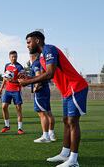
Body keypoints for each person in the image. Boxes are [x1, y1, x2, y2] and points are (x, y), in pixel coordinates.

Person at [19, 31, 88, 167]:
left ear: (37, 40)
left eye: (29, 42)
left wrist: (28, 82)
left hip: (76, 86)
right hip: (67, 91)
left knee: (73, 122)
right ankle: (64, 154)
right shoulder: (42, 57)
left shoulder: (48, 49)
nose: (27, 45)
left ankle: (73, 160)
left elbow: (50, 74)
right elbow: (46, 74)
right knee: (66, 121)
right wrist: (29, 78)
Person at [29, 52, 56, 143]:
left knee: (42, 113)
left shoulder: (36, 63)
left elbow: (38, 74)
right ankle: (51, 134)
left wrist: (37, 86)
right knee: (48, 112)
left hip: (40, 90)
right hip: (46, 89)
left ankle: (45, 136)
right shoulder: (41, 62)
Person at [0, 51, 25, 134]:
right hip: (7, 90)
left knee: (18, 109)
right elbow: (4, 78)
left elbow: (22, 79)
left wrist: (13, 80)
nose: (14, 58)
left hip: (16, 90)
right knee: (3, 107)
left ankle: (20, 128)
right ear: (9, 57)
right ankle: (7, 126)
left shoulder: (19, 67)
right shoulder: (7, 65)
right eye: (12, 57)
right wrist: (1, 88)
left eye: (15, 56)